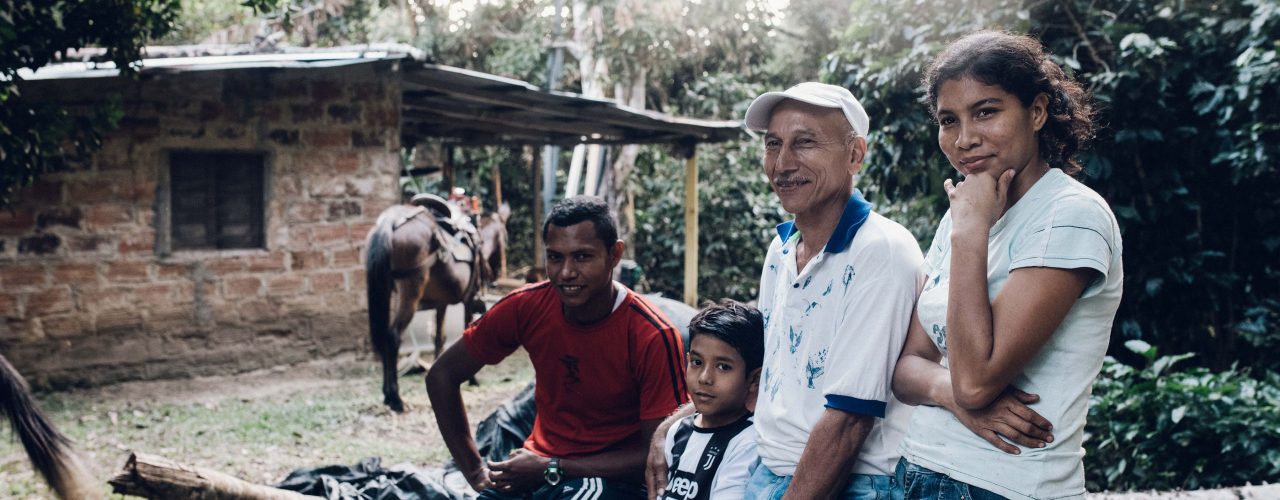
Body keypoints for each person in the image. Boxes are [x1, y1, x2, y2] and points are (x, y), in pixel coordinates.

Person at [647, 82, 924, 500]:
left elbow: (850, 420)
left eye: (805, 142)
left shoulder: (879, 250)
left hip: (854, 482)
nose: (782, 163)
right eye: (773, 144)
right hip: (770, 470)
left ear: (855, 154)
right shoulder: (782, 248)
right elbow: (764, 373)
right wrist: (675, 423)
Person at [891, 30, 1124, 500]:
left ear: (1036, 112)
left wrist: (971, 236)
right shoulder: (959, 219)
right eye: (948, 120)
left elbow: (976, 380)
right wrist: (950, 394)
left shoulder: (1071, 215)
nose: (965, 139)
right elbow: (906, 369)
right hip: (915, 471)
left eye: (986, 111)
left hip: (1005, 485)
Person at [428, 195, 688, 500]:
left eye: (582, 257)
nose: (566, 272)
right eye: (555, 257)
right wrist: (475, 473)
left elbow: (657, 453)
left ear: (615, 254)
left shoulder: (652, 334)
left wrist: (553, 467)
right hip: (535, 470)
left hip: (611, 482)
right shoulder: (526, 306)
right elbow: (441, 376)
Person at [660, 299, 764, 500]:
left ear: (754, 379)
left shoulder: (748, 441)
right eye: (697, 362)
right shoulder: (678, 431)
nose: (704, 378)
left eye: (723, 366)